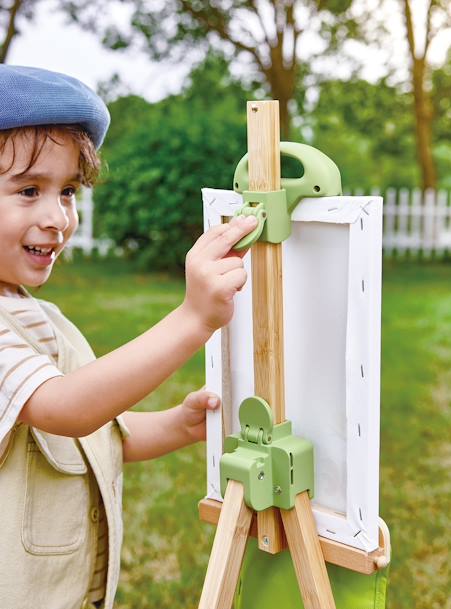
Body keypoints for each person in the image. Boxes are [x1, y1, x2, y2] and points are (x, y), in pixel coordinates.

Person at [0, 65, 257, 609]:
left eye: (67, 190)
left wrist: (174, 425)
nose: (57, 217)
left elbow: (87, 435)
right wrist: (193, 320)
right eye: (28, 190)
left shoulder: (36, 314)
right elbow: (64, 409)